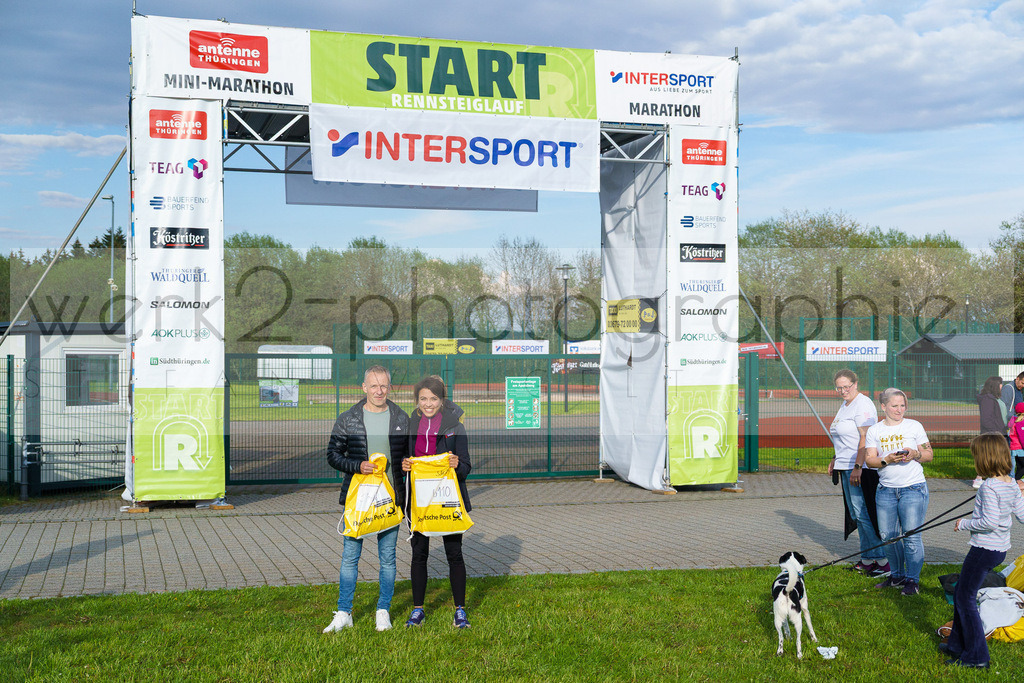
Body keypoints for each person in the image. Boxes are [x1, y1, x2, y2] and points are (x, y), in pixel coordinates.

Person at [323, 365, 409, 633]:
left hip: (390, 501)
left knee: (388, 559)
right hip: (359, 501)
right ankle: (344, 613)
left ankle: (383, 611)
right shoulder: (348, 419)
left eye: (383, 385)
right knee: (350, 558)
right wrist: (357, 466)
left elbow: (409, 454)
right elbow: (332, 455)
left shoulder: (401, 418)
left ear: (390, 387)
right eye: (374, 385)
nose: (379, 391)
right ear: (364, 387)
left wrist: (407, 464)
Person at [942, 434, 1024, 669]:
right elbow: (1022, 515)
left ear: (985, 458)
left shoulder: (989, 487)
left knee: (965, 598)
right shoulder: (1010, 482)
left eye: (976, 456)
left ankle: (977, 657)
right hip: (998, 550)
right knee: (962, 593)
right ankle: (956, 645)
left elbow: (988, 522)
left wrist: (964, 523)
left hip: (984, 549)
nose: (975, 460)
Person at [401, 375, 473, 629]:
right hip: (419, 502)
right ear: (417, 400)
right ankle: (418, 610)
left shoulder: (455, 427)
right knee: (419, 554)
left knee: (454, 554)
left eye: (433, 398)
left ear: (442, 400)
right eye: (423, 399)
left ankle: (460, 610)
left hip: (447, 500)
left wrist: (457, 464)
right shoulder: (409, 425)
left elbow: (466, 467)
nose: (428, 404)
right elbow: (402, 460)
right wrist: (404, 465)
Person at [864, 387, 933, 596]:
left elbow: (929, 454)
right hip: (886, 490)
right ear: (883, 406)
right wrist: (887, 460)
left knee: (911, 536)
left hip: (913, 488)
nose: (899, 409)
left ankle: (912, 580)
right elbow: (870, 460)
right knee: (888, 537)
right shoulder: (875, 430)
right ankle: (896, 575)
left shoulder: (914, 426)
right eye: (894, 406)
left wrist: (915, 454)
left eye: (903, 405)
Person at [827, 369, 887, 576]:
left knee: (864, 513)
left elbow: (866, 438)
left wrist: (858, 467)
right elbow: (844, 438)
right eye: (839, 388)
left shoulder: (863, 404)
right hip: (845, 465)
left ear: (855, 384)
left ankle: (883, 561)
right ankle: (867, 559)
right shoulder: (845, 405)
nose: (843, 391)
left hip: (860, 468)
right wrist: (835, 458)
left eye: (847, 386)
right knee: (856, 514)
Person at [976, 376, 1006, 488]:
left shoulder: (993, 398)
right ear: (995, 386)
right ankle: (979, 479)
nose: (1002, 386)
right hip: (992, 434)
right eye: (1000, 384)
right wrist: (996, 431)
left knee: (993, 457)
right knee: (990, 456)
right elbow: (986, 419)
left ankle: (990, 478)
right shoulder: (987, 400)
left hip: (997, 432)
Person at [1009, 402, 1024, 480]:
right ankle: (1015, 481)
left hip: (1014, 447)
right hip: (1020, 448)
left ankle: (1015, 481)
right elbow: (1022, 437)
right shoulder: (1021, 423)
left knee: (1020, 466)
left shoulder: (1013, 420)